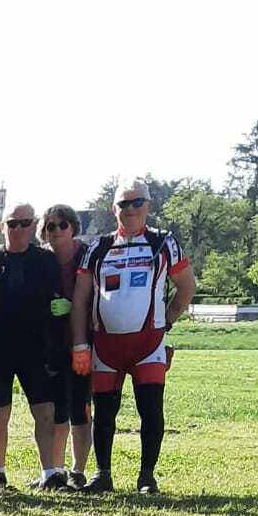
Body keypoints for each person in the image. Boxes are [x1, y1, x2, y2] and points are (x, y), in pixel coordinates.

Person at [70, 178, 195, 494]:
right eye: (123, 203)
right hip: (106, 346)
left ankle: (146, 477)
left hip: (147, 345)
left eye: (137, 202)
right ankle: (103, 475)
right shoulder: (97, 247)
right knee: (104, 413)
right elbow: (81, 298)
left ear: (148, 206)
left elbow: (186, 286)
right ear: (114, 209)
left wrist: (166, 321)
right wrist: (80, 343)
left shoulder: (163, 242)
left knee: (151, 410)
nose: (130, 209)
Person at [0, 202, 70, 491]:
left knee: (45, 412)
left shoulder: (45, 260)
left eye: (24, 223)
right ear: (2, 227)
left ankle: (49, 474)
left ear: (34, 226)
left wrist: (57, 346)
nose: (18, 229)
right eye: (12, 223)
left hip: (36, 348)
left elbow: (58, 302)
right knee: (0, 412)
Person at [43, 203, 93, 489]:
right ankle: (55, 470)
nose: (57, 231)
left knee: (80, 408)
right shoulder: (43, 259)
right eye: (51, 226)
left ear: (73, 227)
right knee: (55, 408)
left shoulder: (86, 256)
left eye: (63, 225)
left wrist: (74, 308)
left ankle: (79, 470)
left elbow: (99, 298)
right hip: (51, 346)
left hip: (81, 343)